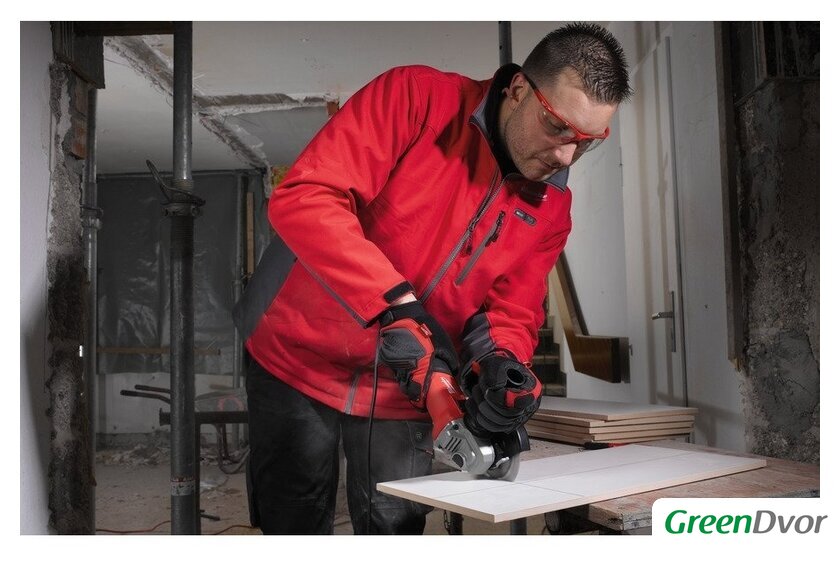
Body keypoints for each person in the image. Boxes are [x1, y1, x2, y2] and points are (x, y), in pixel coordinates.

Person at [234, 22, 632, 535]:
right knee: (293, 519)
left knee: (395, 525)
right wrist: (394, 305)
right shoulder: (415, 99)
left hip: (407, 386)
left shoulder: (552, 207)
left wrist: (499, 362)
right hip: (297, 355)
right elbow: (307, 197)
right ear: (517, 90)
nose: (565, 157)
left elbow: (513, 309)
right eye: (557, 127)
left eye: (587, 142)